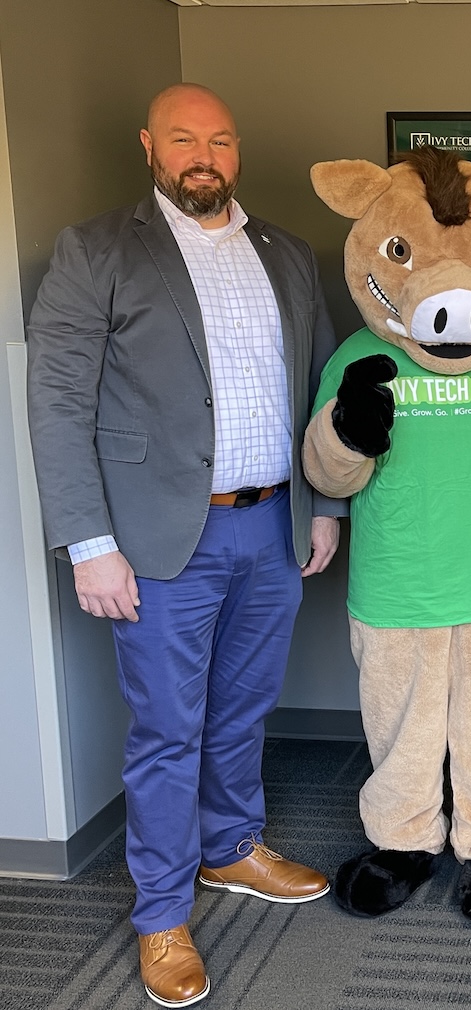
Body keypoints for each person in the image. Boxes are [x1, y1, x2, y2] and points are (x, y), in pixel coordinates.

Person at [26, 83, 341, 1008]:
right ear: (149, 147)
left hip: (272, 522)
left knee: (242, 708)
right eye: (183, 139)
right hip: (158, 541)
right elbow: (57, 404)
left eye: (220, 140)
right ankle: (161, 914)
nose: (203, 155)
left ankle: (232, 850)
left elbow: (320, 387)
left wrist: (325, 508)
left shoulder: (283, 251)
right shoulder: (95, 251)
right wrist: (89, 544)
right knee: (169, 731)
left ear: (236, 152)